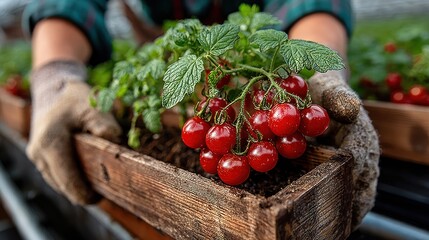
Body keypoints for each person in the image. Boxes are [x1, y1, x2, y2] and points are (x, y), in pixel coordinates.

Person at [22, 0, 379, 230]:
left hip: (248, 55)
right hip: (196, 61)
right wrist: (55, 72)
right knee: (213, 136)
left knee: (259, 134)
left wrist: (317, 66)